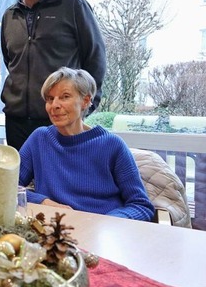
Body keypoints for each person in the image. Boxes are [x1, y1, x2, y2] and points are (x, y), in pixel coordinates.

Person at [1, 0, 106, 151]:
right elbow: (10, 61)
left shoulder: (73, 6)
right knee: (21, 183)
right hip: (17, 123)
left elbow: (95, 59)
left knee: (59, 183)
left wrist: (84, 107)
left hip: (59, 120)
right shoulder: (10, 16)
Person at [18, 67, 154, 221]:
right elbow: (7, 187)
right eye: (50, 98)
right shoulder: (39, 138)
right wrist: (44, 202)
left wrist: (105, 222)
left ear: (86, 101)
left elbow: (141, 205)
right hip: (55, 230)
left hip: (103, 233)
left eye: (65, 96)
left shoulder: (112, 145)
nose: (54, 105)